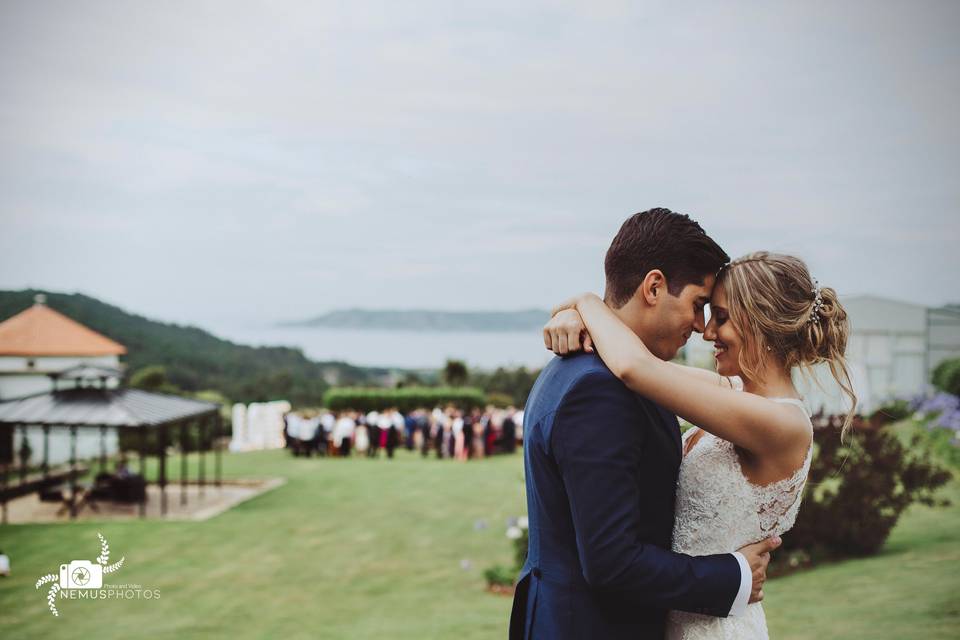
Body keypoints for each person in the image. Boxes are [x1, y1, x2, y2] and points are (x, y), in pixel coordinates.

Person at [543, 233, 856, 637]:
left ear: (759, 322)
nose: (707, 332)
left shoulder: (782, 424)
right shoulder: (732, 394)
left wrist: (586, 302)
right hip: (679, 611)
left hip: (714, 627)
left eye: (721, 317)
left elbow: (635, 369)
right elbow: (627, 357)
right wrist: (571, 317)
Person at [510, 209, 781, 640]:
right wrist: (732, 575)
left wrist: (582, 307)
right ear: (654, 287)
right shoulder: (599, 391)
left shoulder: (605, 370)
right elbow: (612, 561)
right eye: (697, 305)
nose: (700, 326)